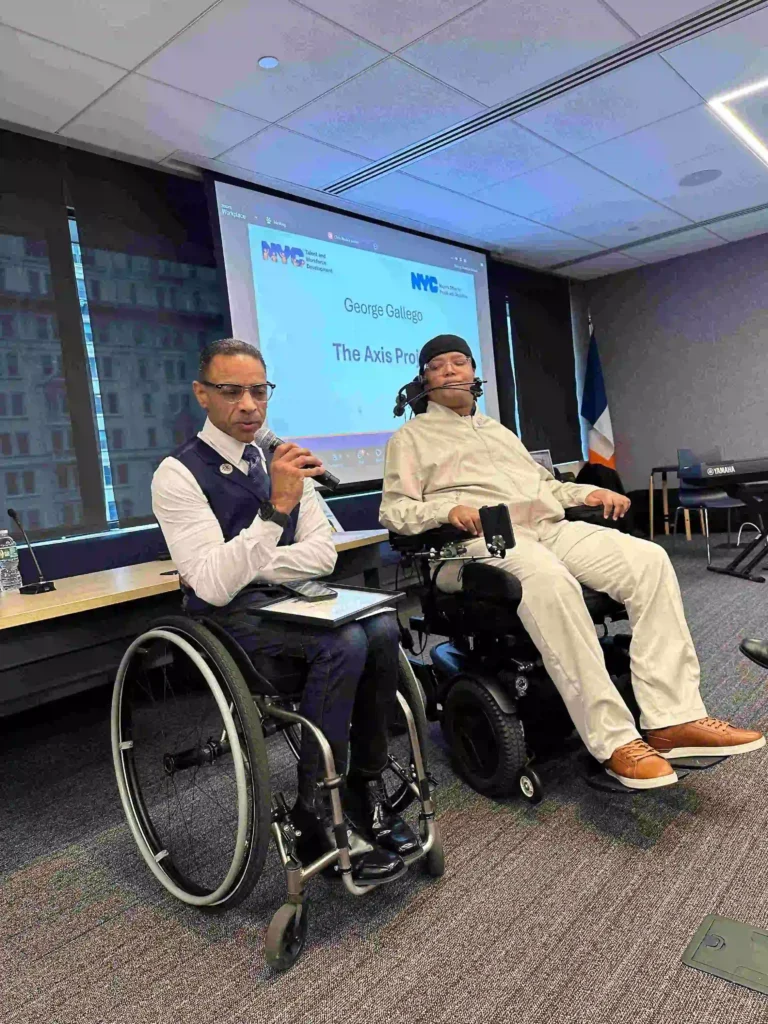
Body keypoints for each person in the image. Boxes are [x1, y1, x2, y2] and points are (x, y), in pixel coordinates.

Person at [380, 334, 765, 790]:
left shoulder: (498, 431)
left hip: (546, 529)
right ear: (423, 380)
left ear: (473, 373)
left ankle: (673, 720)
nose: (449, 370)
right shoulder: (410, 438)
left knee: (649, 560)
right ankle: (614, 741)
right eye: (437, 365)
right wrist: (447, 510)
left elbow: (546, 489)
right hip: (474, 544)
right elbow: (395, 511)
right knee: (549, 580)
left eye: (458, 362)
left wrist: (589, 492)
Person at [152, 338, 418, 883]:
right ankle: (315, 813)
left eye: (259, 390)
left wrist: (253, 561)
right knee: (345, 642)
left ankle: (363, 785)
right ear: (202, 394)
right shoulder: (178, 474)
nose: (249, 405)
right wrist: (276, 511)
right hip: (229, 619)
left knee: (382, 625)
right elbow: (213, 585)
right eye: (231, 391)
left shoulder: (284, 461)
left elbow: (323, 555)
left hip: (294, 598)